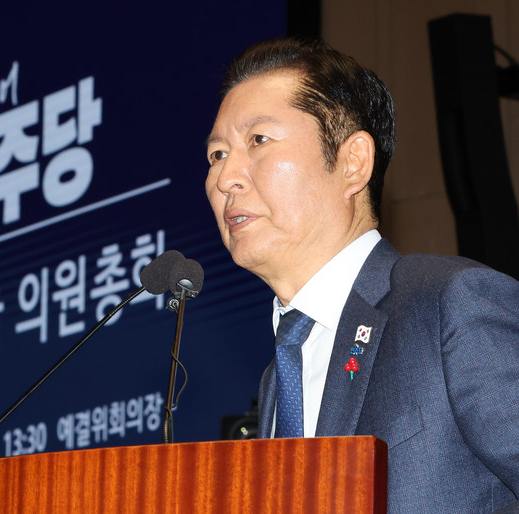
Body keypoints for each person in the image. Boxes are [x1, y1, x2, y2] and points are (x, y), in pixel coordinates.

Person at [205, 38, 519, 513]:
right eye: (216, 155)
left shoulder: (448, 305)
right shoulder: (279, 377)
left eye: (258, 140)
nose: (225, 177)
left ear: (353, 163)